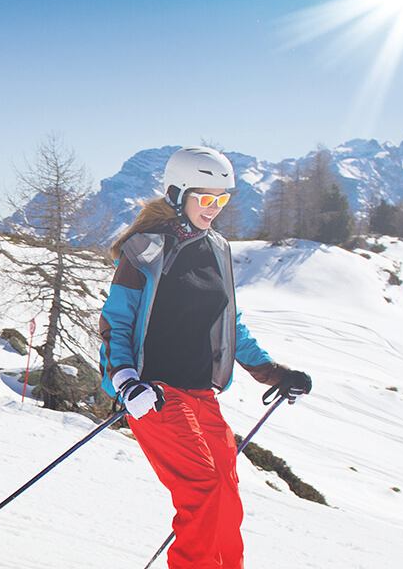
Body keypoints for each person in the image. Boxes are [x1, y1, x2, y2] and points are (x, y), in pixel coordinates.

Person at [97, 147, 312, 569]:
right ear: (178, 193)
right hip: (155, 394)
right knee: (203, 487)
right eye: (205, 198)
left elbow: (228, 322)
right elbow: (115, 324)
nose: (214, 209)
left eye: (223, 199)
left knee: (227, 493)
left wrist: (271, 371)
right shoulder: (144, 250)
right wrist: (125, 382)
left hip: (200, 394)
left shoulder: (216, 248)